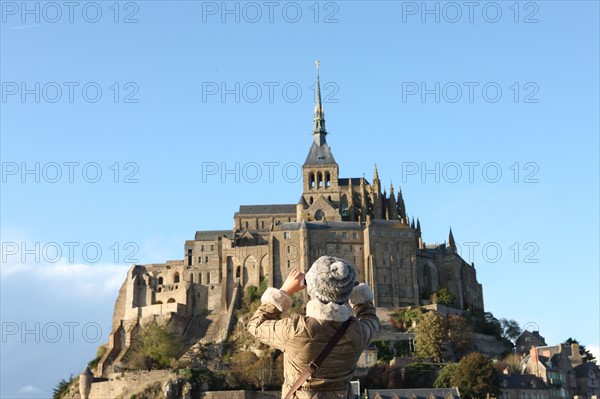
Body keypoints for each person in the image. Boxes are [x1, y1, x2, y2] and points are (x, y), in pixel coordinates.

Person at [248, 255, 380, 399]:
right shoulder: (357, 333)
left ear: (311, 289)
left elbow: (256, 324)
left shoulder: (295, 329)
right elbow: (371, 319)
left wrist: (284, 291)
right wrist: (354, 292)